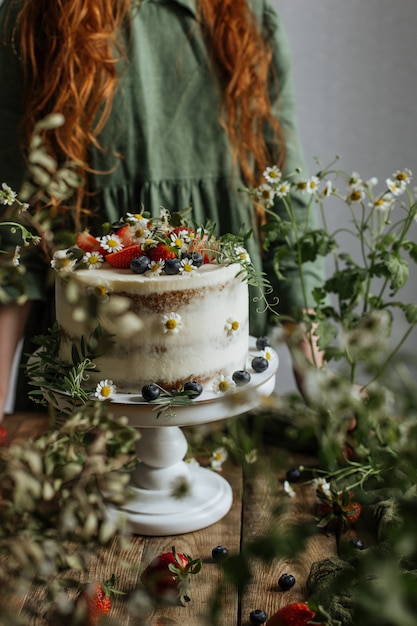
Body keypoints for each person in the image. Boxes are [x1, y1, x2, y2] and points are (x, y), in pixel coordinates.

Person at [0, 0, 324, 421]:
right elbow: (12, 241)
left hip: (223, 381)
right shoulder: (33, 16)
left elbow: (284, 208)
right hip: (87, 386)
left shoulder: (248, 16)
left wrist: (318, 376)